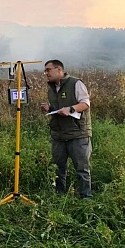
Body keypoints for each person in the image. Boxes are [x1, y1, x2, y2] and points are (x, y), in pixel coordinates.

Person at [40, 60, 92, 199]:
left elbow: (85, 103)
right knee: (58, 169)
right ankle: (60, 198)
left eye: (48, 70)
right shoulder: (51, 88)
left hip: (77, 134)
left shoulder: (76, 83)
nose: (46, 73)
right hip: (59, 135)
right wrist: (50, 109)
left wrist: (71, 109)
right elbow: (58, 108)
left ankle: (86, 199)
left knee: (82, 169)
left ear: (59, 70)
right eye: (45, 71)